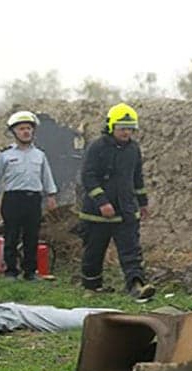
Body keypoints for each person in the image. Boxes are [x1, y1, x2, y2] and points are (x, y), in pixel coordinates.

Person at [79, 103, 155, 301]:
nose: (126, 132)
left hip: (126, 211)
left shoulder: (133, 149)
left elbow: (137, 177)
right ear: (111, 126)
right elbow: (88, 176)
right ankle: (92, 286)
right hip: (97, 214)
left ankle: (136, 285)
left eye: (130, 128)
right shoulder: (97, 147)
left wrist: (143, 202)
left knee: (131, 251)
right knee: (94, 251)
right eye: (122, 128)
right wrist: (102, 202)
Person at [0, 111, 58, 281]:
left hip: (33, 199)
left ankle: (30, 272)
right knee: (11, 235)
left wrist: (51, 196)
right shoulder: (4, 154)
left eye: (28, 128)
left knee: (31, 236)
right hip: (12, 199)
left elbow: (46, 176)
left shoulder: (39, 155)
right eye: (21, 129)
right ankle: (11, 271)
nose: (26, 132)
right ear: (14, 132)